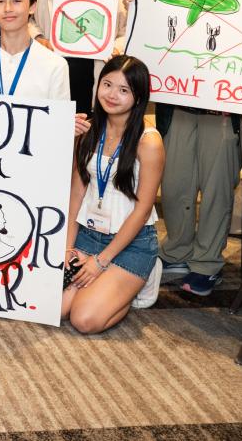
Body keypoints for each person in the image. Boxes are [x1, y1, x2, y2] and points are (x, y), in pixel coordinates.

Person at [158, 0, 242, 297]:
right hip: (182, 104)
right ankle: (178, 249)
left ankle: (206, 263)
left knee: (217, 189)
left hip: (225, 114)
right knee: (176, 184)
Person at [63, 56, 165, 332]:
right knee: (56, 307)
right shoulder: (89, 130)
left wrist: (101, 261)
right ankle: (106, 286)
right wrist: (67, 247)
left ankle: (138, 282)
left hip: (132, 244)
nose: (112, 95)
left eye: (123, 90)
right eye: (107, 84)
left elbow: (142, 210)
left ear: (139, 96)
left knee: (83, 319)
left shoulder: (149, 142)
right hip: (88, 233)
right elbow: (76, 193)